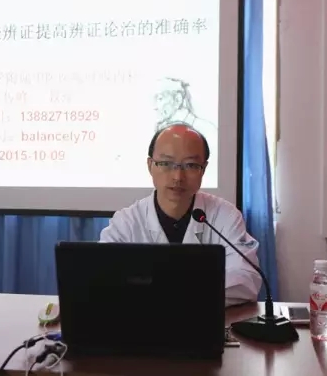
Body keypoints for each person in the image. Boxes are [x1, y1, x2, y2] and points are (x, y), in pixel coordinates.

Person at [99, 123, 262, 306]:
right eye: (166, 164)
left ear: (203, 169)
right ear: (150, 166)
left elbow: (246, 278)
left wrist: (173, 295)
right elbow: (102, 278)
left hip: (205, 318)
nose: (177, 177)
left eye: (190, 165)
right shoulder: (126, 222)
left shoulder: (225, 216)